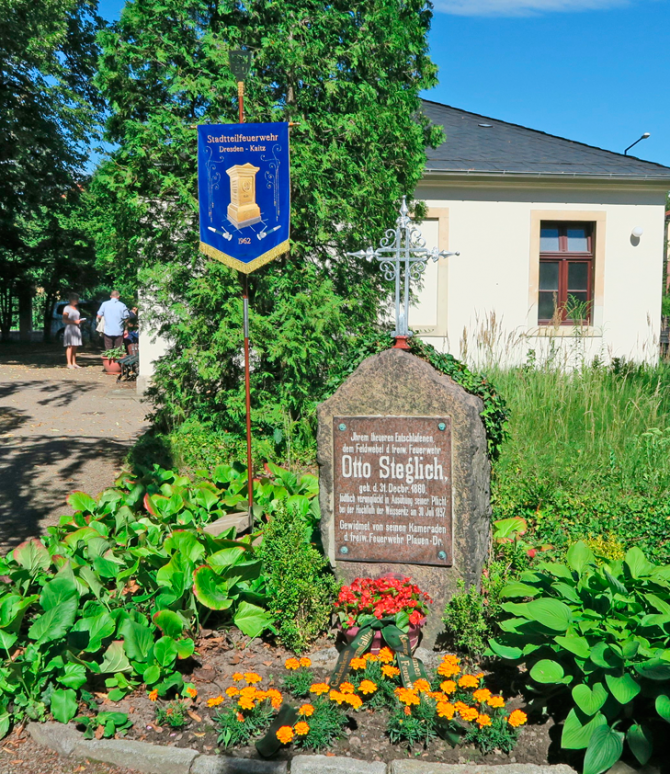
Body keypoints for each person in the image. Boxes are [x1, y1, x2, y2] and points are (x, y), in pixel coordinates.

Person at [62, 294, 83, 369]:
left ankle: (74, 362)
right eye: (76, 299)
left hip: (76, 328)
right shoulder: (67, 308)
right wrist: (75, 322)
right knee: (70, 346)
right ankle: (69, 363)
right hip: (70, 328)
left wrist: (80, 321)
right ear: (71, 299)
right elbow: (64, 319)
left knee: (75, 346)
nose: (77, 300)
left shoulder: (76, 308)